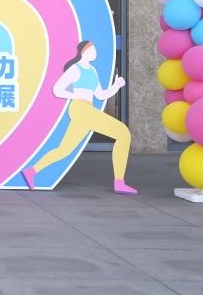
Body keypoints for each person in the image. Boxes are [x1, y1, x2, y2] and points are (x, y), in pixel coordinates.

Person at [22, 40, 135, 194]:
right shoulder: (75, 69)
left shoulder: (93, 71)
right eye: (91, 49)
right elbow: (57, 89)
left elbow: (100, 95)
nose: (94, 52)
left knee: (64, 150)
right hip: (81, 109)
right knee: (123, 133)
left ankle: (31, 171)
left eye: (95, 49)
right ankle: (119, 182)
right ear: (83, 52)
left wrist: (116, 86)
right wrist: (76, 94)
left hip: (86, 110)